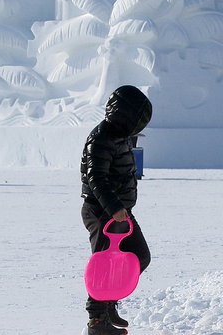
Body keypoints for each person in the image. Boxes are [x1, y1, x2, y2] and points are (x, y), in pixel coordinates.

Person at [81, 84, 153, 335]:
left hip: (119, 211)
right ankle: (97, 323)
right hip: (101, 211)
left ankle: (109, 302)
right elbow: (96, 178)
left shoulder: (120, 137)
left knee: (140, 256)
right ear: (125, 115)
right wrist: (113, 207)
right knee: (103, 265)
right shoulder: (100, 138)